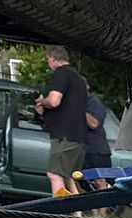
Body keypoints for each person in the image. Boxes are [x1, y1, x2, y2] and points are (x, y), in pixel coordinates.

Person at [32, 46, 90, 196]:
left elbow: (54, 101)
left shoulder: (61, 74)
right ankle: (77, 213)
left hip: (64, 135)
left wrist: (42, 102)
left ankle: (59, 214)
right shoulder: (78, 79)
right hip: (79, 136)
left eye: (48, 60)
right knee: (68, 177)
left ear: (52, 59)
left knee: (54, 175)